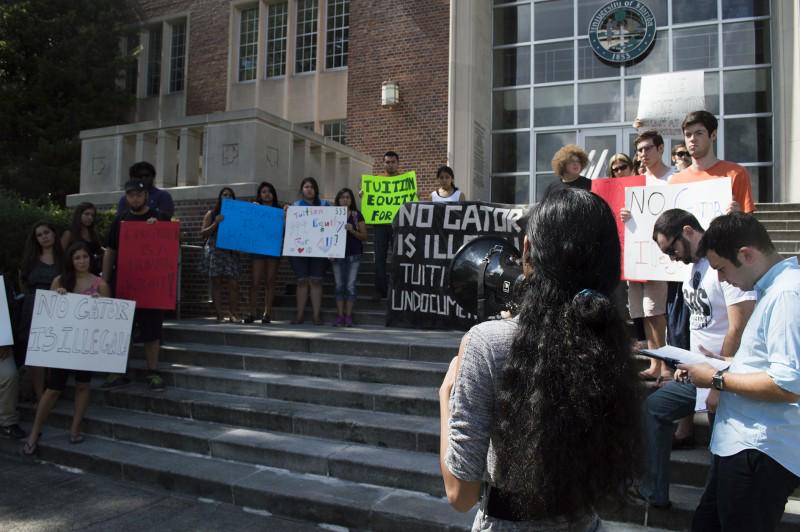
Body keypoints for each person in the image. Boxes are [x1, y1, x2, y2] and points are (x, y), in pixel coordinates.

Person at [440, 187, 641, 529]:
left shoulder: (488, 342)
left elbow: (461, 494)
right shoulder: (610, 338)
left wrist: (446, 398)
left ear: (528, 252)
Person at [679, 213, 800, 531]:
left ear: (746, 254)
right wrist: (726, 364)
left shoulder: (787, 294)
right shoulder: (776, 288)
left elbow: (788, 385)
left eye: (721, 268)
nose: (719, 280)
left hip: (760, 448)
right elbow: (771, 363)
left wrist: (716, 379)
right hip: (744, 443)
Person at [637, 209, 755, 510]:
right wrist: (685, 364)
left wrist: (718, 380)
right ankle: (653, 492)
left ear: (688, 231)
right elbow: (701, 325)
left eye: (671, 249)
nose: (671, 257)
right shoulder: (693, 268)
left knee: (721, 460)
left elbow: (738, 326)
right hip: (698, 373)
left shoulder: (723, 265)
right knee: (653, 409)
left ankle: (715, 514)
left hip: (726, 377)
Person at [22, 241, 111, 455]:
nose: (82, 261)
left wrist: (101, 303)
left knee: (83, 386)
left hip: (86, 345)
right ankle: (34, 432)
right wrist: (57, 298)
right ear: (71, 261)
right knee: (53, 389)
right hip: (62, 346)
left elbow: (109, 318)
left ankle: (75, 428)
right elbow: (49, 316)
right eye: (77, 257)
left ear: (91, 258)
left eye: (85, 257)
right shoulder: (59, 281)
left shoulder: (100, 284)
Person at [102, 180, 166, 391]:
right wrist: (105, 281)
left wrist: (157, 230)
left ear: (146, 196)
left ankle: (153, 372)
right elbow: (110, 250)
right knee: (122, 330)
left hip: (152, 288)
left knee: (152, 331)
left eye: (139, 194)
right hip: (125, 285)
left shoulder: (159, 217)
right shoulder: (120, 220)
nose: (135, 198)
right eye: (131, 195)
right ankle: (118, 371)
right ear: (126, 197)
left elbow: (169, 247)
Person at [622, 131, 674, 382]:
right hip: (637, 256)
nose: (643, 154)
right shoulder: (636, 182)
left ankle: (664, 366)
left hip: (660, 257)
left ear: (661, 148)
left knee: (655, 311)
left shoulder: (673, 178)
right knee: (641, 311)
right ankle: (655, 363)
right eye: (640, 150)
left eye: (648, 148)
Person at [669, 111, 755, 213]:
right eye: (688, 135)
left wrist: (739, 216)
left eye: (699, 133)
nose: (692, 139)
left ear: (713, 135)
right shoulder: (675, 181)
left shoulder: (736, 173)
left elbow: (749, 223)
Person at [18, 221, 63, 401]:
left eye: (47, 232)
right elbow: (23, 283)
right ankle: (39, 395)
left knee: (54, 353)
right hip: (33, 308)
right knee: (37, 357)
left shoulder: (64, 258)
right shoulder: (30, 259)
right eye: (39, 234)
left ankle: (53, 393)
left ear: (53, 234)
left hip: (58, 309)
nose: (44, 237)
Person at [288, 177, 329, 325]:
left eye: (311, 186)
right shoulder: (295, 206)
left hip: (319, 249)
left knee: (316, 282)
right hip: (299, 250)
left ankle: (316, 316)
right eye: (306, 187)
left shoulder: (325, 205)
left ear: (316, 189)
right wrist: (287, 214)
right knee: (302, 281)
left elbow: (331, 226)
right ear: (302, 190)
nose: (309, 189)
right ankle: (299, 315)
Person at [362, 151, 400, 301]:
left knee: (398, 258)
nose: (390, 164)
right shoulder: (377, 180)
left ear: (397, 163)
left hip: (398, 225)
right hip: (380, 225)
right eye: (387, 162)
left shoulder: (405, 181)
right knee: (379, 258)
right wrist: (364, 195)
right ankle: (380, 290)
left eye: (392, 162)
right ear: (383, 163)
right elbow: (370, 198)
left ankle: (396, 290)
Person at [200, 187, 242, 323]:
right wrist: (216, 223)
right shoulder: (211, 214)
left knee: (233, 284)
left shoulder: (236, 215)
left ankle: (233, 313)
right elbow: (203, 234)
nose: (227, 197)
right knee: (216, 283)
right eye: (224, 195)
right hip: (215, 252)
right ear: (220, 197)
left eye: (230, 195)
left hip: (230, 252)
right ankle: (219, 315)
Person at [246, 181, 282, 324]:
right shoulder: (255, 208)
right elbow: (247, 226)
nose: (267, 194)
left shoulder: (279, 209)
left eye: (269, 191)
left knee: (270, 281)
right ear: (260, 195)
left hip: (273, 247)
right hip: (257, 247)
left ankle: (267, 313)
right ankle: (252, 312)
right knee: (255, 281)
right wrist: (253, 211)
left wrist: (286, 214)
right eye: (264, 191)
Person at [331, 188, 367, 327]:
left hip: (354, 254)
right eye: (342, 197)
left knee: (350, 286)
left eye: (348, 197)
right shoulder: (332, 215)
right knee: (339, 286)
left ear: (352, 200)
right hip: (336, 255)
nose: (345, 199)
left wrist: (352, 230)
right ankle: (340, 316)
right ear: (338, 200)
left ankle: (348, 316)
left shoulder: (358, 215)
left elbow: (364, 236)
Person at [0, 276, 25, 440]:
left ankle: (7, 422)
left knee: (9, 375)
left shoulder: (3, 282)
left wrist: (5, 341)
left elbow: (10, 312)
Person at [61, 202, 104, 275]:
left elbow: (98, 250)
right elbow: (60, 255)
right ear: (79, 215)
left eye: (92, 215)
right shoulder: (69, 233)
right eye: (86, 214)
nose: (90, 217)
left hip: (92, 273)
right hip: (73, 273)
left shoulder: (93, 233)